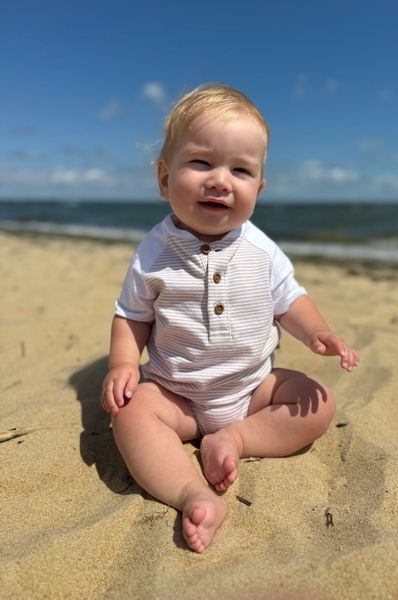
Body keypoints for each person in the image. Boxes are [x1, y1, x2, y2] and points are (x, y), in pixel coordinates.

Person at [101, 83, 359, 553]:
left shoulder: (262, 250)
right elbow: (131, 315)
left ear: (257, 189)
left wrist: (317, 330)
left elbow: (290, 301)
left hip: (252, 389)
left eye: (240, 170)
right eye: (201, 162)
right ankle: (191, 493)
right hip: (175, 394)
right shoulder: (154, 252)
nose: (221, 180)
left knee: (317, 401)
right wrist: (122, 363)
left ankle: (236, 441)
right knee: (131, 415)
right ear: (164, 177)